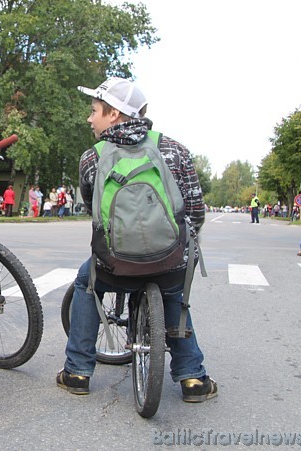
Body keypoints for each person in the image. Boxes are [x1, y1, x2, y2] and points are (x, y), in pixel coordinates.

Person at [57, 77, 217, 403]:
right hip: (170, 261)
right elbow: (196, 211)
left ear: (114, 113)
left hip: (115, 264)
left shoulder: (93, 157)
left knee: (87, 285)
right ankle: (193, 379)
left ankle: (77, 372)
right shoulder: (173, 149)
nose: (90, 118)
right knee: (174, 295)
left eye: (94, 110)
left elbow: (96, 215)